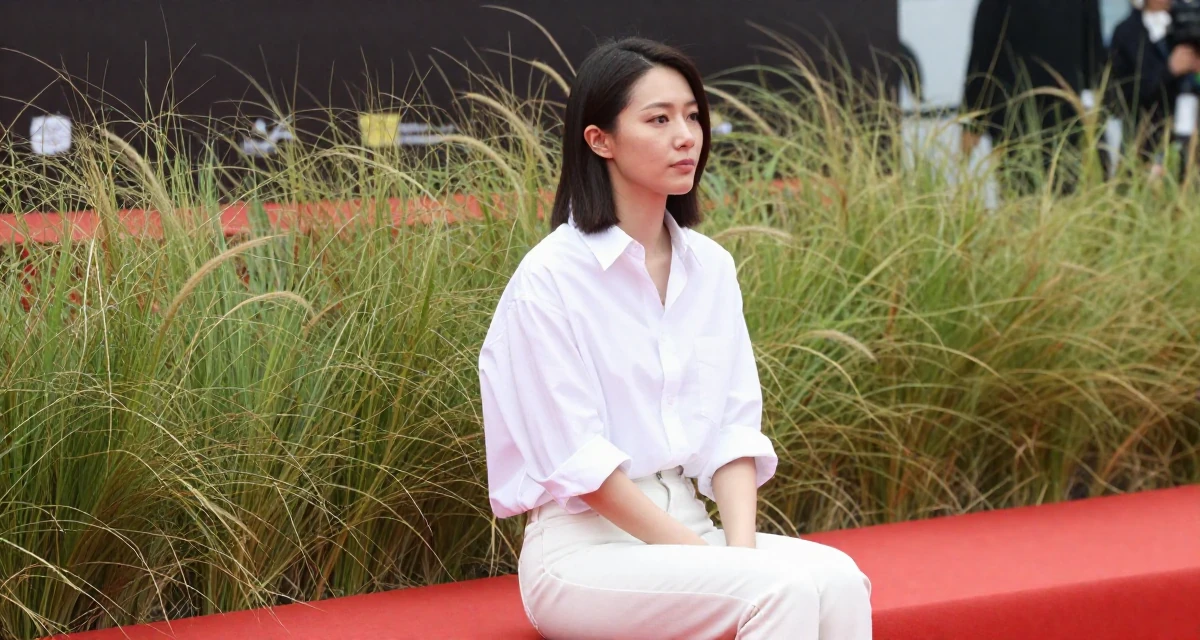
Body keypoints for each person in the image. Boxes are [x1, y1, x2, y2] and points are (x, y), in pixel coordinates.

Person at [477, 37, 872, 639]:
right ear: (599, 139)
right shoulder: (549, 278)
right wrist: (716, 564)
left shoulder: (708, 266)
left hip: (691, 525)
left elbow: (733, 431)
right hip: (582, 552)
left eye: (692, 116)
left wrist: (735, 554)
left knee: (839, 578)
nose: (686, 135)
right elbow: (579, 465)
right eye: (658, 119)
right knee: (778, 589)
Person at [960, 0, 1108, 193]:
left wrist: (973, 121)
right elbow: (1094, 59)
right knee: (1057, 193)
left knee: (1020, 195)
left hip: (1026, 114)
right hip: (1049, 114)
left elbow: (982, 57)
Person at [1109, 0, 1200, 172]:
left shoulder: (1187, 22)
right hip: (1143, 144)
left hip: (1189, 137)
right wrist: (1169, 70)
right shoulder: (1127, 33)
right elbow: (1125, 95)